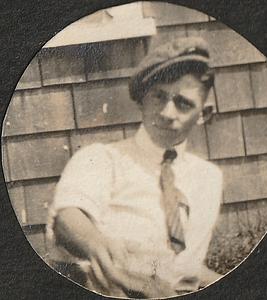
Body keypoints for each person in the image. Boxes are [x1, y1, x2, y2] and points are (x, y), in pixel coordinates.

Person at [46, 36, 223, 298]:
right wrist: (99, 246)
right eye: (158, 96)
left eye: (183, 103)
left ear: (204, 114)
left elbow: (186, 266)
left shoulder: (209, 178)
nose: (166, 112)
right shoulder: (102, 159)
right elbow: (67, 219)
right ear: (141, 100)